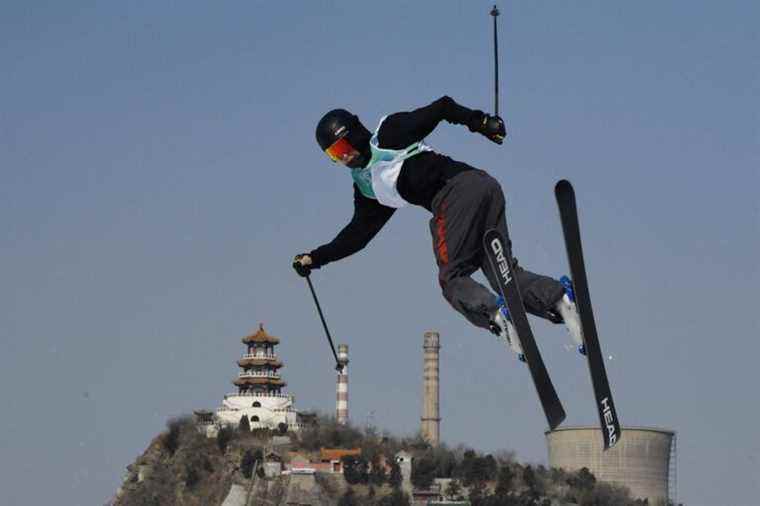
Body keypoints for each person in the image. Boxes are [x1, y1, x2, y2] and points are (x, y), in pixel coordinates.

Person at [292, 96, 584, 361]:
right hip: (483, 187)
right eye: (333, 155)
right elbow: (356, 237)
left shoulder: (389, 134)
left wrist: (480, 122)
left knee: (452, 278)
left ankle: (495, 314)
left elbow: (441, 108)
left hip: (454, 193)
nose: (343, 158)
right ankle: (560, 299)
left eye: (342, 148)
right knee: (504, 275)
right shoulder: (369, 188)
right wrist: (316, 258)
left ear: (354, 133)